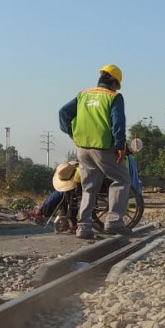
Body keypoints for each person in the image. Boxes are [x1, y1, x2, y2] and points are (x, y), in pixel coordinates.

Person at [59, 64, 130, 240]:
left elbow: (63, 113)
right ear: (114, 82)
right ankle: (113, 222)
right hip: (103, 148)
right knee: (121, 179)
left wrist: (72, 133)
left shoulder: (83, 95)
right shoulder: (114, 97)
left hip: (82, 148)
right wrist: (120, 146)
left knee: (89, 187)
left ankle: (83, 227)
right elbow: (118, 124)